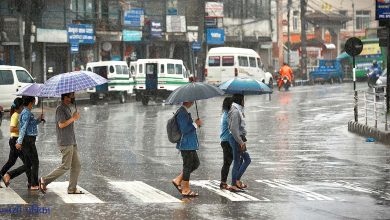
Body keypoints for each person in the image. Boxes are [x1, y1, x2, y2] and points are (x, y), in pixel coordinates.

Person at [39, 92, 82, 194]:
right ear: (65, 97)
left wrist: (73, 116)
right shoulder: (60, 109)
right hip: (65, 142)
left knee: (77, 165)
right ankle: (44, 180)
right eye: (71, 95)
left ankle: (72, 188)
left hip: (71, 140)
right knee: (65, 166)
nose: (73, 97)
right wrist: (73, 118)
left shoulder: (67, 108)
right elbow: (61, 125)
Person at [172, 101, 202, 197]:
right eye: (191, 100)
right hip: (186, 144)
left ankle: (178, 180)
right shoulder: (182, 112)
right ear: (187, 101)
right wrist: (195, 124)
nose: (193, 102)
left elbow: (187, 127)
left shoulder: (184, 112)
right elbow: (184, 129)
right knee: (188, 165)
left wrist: (195, 124)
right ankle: (185, 189)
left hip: (190, 144)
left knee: (195, 164)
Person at [15, 96, 44, 191]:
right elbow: (22, 129)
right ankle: (34, 184)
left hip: (29, 140)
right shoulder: (26, 113)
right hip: (28, 141)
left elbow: (31, 125)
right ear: (31, 103)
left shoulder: (27, 113)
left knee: (28, 163)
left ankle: (30, 182)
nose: (34, 105)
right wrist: (19, 141)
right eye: (33, 102)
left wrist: (39, 119)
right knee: (35, 162)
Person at [0, 98, 30, 188]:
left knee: (13, 162)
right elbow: (12, 129)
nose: (24, 108)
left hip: (16, 141)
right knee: (27, 162)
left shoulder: (18, 114)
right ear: (20, 106)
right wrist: (23, 128)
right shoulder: (15, 115)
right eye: (23, 106)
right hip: (15, 141)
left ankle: (31, 181)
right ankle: (31, 182)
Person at [228, 94, 251, 192]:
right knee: (244, 160)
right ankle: (234, 182)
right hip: (236, 139)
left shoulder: (237, 110)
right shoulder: (235, 111)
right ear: (239, 100)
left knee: (241, 160)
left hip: (237, 138)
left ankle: (235, 181)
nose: (244, 101)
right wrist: (241, 142)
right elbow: (233, 129)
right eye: (243, 99)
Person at [219, 97, 233, 190]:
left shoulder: (225, 114)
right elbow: (232, 128)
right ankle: (223, 182)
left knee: (228, 162)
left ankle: (224, 182)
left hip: (225, 140)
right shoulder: (227, 115)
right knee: (227, 163)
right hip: (227, 141)